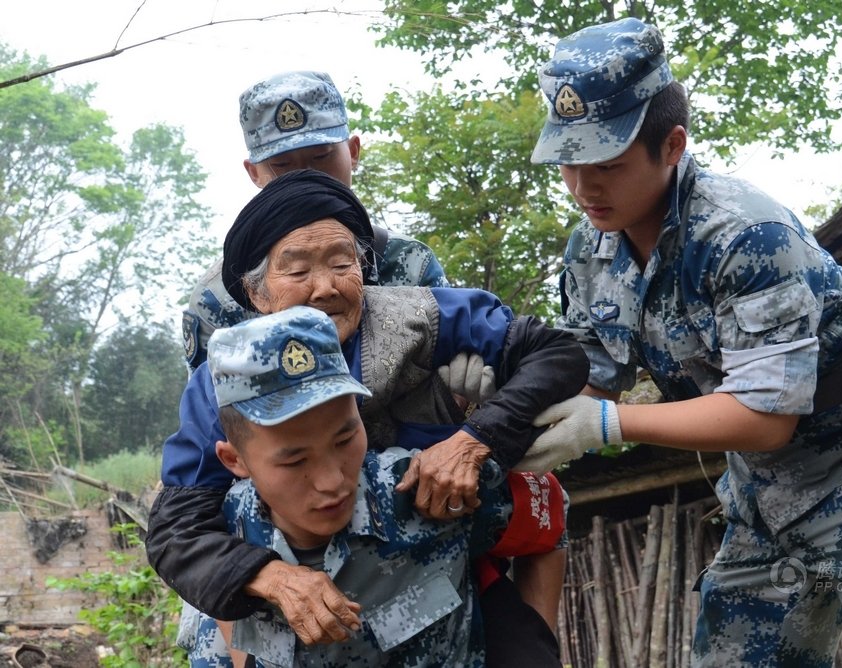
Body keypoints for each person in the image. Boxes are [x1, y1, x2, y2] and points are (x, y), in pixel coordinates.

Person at [518, 17, 842, 667]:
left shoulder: (742, 233)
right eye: (568, 162)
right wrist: (498, 422)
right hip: (767, 513)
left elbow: (765, 418)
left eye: (607, 165)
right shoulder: (591, 252)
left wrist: (605, 423)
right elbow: (588, 375)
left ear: (670, 145)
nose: (583, 187)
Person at [147, 169, 586, 664]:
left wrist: (476, 436)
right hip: (280, 573)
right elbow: (177, 530)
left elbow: (557, 355)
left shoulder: (418, 319)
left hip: (429, 559)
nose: (324, 288)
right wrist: (269, 577)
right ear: (256, 294)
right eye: (296, 271)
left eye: (342, 263)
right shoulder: (225, 383)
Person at [182, 305, 565, 666]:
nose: (333, 481)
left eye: (345, 439)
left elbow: (549, 511)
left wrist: (534, 647)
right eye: (295, 460)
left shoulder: (420, 489)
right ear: (235, 461)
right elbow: (219, 604)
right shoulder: (224, 531)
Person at [182, 70, 448, 372]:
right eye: (282, 165)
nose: (306, 179)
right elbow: (211, 413)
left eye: (322, 157)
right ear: (254, 173)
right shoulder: (217, 298)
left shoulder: (411, 264)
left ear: (353, 152)